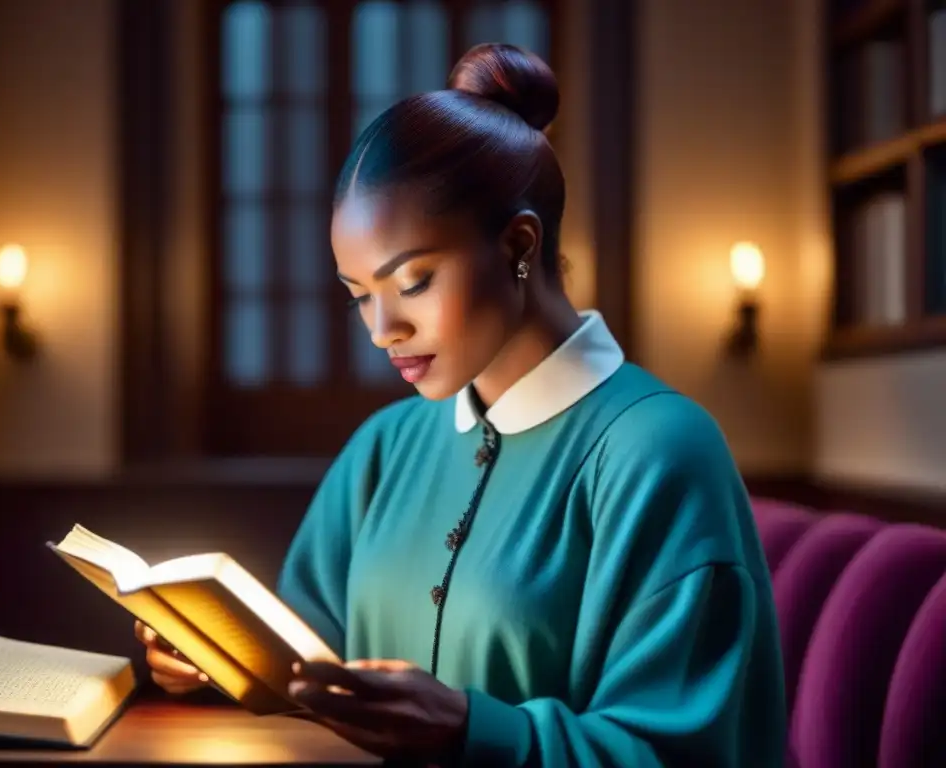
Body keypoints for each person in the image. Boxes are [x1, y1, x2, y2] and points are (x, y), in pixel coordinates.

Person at [136, 43, 786, 767]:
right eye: (359, 297)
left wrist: (471, 731)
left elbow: (688, 748)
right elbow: (304, 666)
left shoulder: (658, 448)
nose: (384, 331)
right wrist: (212, 664)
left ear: (519, 244)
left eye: (412, 282)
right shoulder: (385, 447)